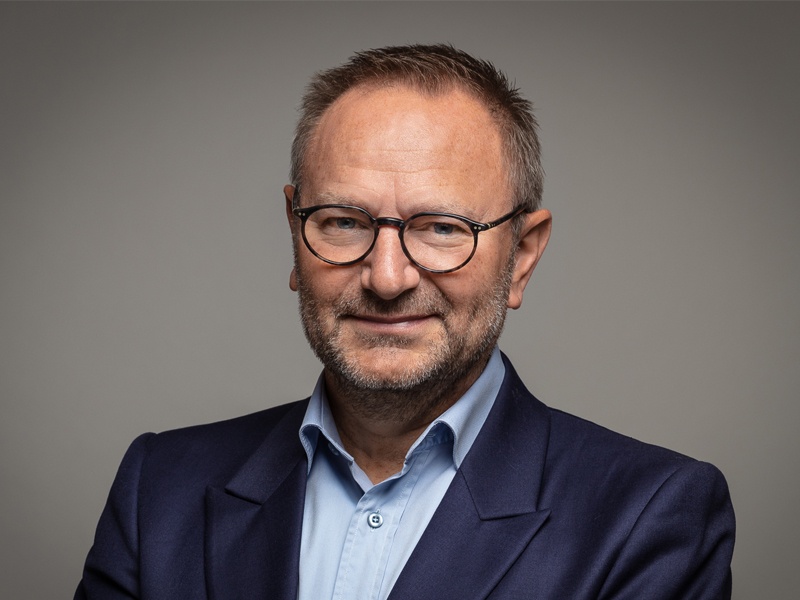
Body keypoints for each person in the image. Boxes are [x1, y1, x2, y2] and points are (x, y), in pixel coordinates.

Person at [75, 44, 735, 599]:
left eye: (442, 228)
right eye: (342, 222)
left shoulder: (649, 516)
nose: (387, 278)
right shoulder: (158, 489)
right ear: (295, 235)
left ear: (522, 257)